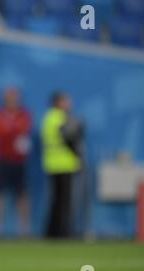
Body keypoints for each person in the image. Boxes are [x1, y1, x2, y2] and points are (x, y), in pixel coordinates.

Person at [0, 87, 32, 238]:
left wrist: (10, 131)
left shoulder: (23, 115)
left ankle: (24, 228)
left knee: (22, 194)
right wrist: (11, 131)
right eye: (9, 97)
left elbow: (24, 130)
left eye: (14, 97)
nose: (12, 100)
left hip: (18, 161)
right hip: (2, 159)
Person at [41, 91, 83, 238]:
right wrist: (78, 156)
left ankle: (53, 232)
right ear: (58, 102)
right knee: (64, 202)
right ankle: (63, 232)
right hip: (64, 164)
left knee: (57, 201)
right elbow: (68, 137)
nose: (69, 104)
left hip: (53, 164)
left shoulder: (48, 117)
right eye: (66, 101)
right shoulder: (59, 117)